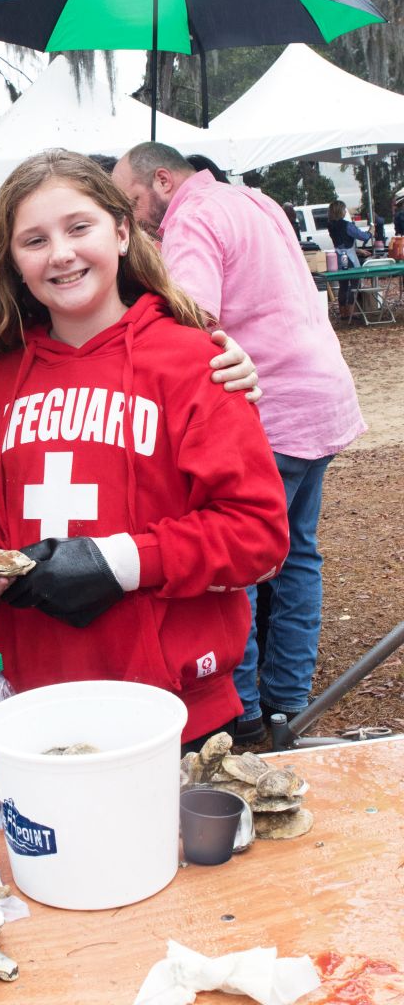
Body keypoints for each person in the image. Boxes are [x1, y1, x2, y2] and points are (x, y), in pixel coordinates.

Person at [0, 150, 289, 752]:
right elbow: (8, 517)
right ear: (12, 263)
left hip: (172, 702)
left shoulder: (195, 361)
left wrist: (119, 562)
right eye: (34, 240)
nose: (61, 253)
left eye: (80, 227)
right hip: (36, 699)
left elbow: (256, 534)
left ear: (123, 231)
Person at [112, 142, 366, 744]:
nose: (133, 214)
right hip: (319, 395)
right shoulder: (254, 198)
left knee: (239, 565)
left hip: (269, 406)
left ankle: (243, 707)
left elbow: (193, 317)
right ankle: (288, 699)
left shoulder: (193, 218)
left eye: (131, 200)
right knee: (297, 552)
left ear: (163, 180)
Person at [326, 199, 371, 320]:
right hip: (350, 258)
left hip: (338, 259)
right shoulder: (347, 225)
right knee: (354, 285)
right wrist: (371, 232)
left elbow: (341, 245)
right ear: (341, 211)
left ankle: (343, 313)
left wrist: (358, 250)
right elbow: (363, 236)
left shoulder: (331, 226)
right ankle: (352, 312)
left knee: (343, 286)